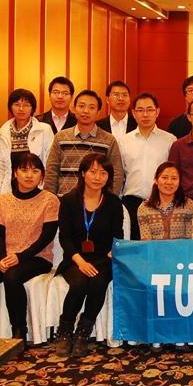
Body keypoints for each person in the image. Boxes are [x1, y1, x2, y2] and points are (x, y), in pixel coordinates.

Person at [0, 153, 59, 342]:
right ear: (15, 173)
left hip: (37, 257)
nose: (29, 175)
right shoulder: (2, 201)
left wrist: (20, 257)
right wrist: (1, 259)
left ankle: (19, 331)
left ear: (42, 176)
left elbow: (46, 237)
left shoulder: (50, 200)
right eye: (24, 170)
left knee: (12, 276)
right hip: (6, 255)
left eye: (35, 171)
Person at [55, 153, 124, 357]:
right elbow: (65, 238)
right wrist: (80, 261)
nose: (97, 177)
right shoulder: (68, 201)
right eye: (93, 172)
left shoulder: (113, 203)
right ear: (83, 173)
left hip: (103, 259)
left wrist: (113, 251)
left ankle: (83, 332)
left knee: (98, 282)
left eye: (103, 173)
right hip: (75, 258)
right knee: (79, 283)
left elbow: (118, 235)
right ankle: (65, 330)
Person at [43, 89, 125, 197]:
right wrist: (50, 200)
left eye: (92, 107)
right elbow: (52, 172)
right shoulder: (60, 137)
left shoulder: (109, 140)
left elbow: (117, 174)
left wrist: (109, 200)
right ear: (74, 109)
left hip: (97, 202)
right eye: (81, 106)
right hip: (63, 201)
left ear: (98, 112)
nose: (86, 111)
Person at [118, 93, 176, 240]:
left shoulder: (169, 140)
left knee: (159, 246)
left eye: (150, 110)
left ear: (157, 112)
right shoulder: (124, 141)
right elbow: (119, 174)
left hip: (161, 201)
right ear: (133, 113)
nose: (145, 114)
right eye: (140, 110)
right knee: (133, 244)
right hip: (131, 202)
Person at [0, 88, 54, 203]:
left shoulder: (44, 130)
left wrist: (47, 193)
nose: (21, 109)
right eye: (17, 104)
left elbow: (50, 164)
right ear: (10, 107)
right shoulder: (2, 133)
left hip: (38, 191)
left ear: (33, 108)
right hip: (9, 192)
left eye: (26, 105)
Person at [137, 162, 193, 240]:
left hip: (181, 248)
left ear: (179, 182)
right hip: (154, 248)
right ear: (156, 180)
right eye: (164, 177)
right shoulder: (144, 208)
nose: (169, 182)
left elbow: (190, 239)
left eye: (174, 178)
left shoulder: (188, 204)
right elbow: (146, 241)